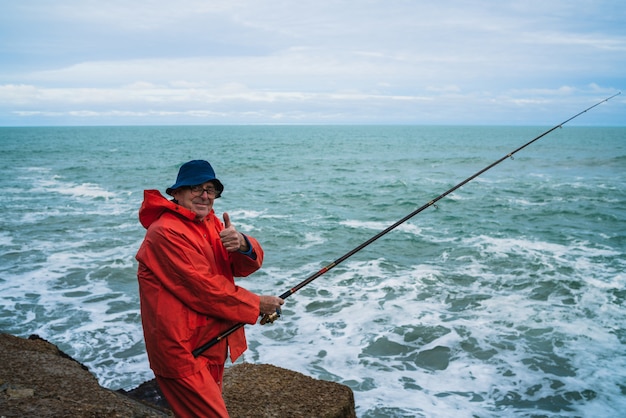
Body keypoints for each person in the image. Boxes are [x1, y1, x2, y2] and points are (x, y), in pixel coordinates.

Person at [135, 159, 284, 417]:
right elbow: (203, 289)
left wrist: (243, 244)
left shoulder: (213, 224)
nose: (204, 196)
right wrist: (257, 305)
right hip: (181, 349)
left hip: (210, 342)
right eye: (196, 188)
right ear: (176, 193)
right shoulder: (165, 232)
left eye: (210, 189)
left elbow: (244, 268)